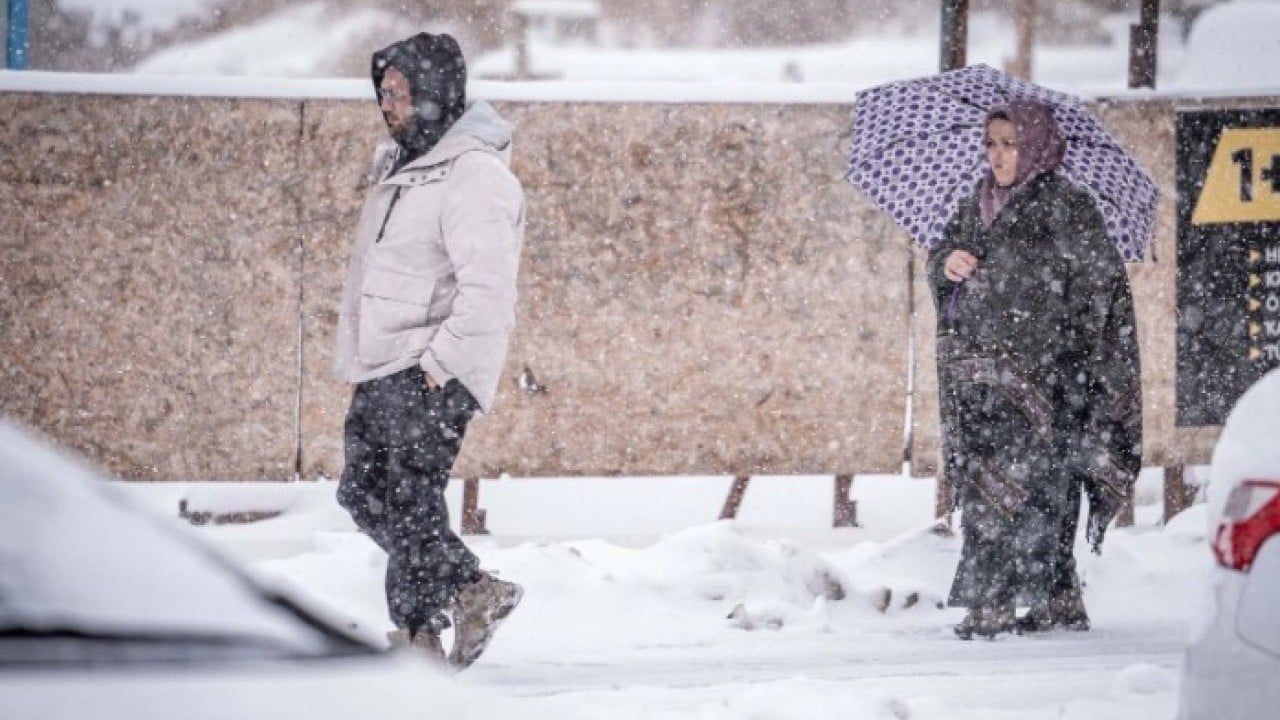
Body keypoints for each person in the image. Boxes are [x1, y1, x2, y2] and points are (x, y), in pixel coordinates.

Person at [333, 31, 526, 668]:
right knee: (365, 494)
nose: (387, 105)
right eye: (382, 92)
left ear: (435, 93)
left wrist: (440, 367)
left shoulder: (473, 174)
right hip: (385, 361)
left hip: (431, 368)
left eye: (400, 93)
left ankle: (416, 638)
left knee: (410, 500)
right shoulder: (402, 162)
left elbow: (489, 290)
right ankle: (472, 590)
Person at [926, 100, 1142, 640]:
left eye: (1011, 143)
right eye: (992, 143)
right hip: (978, 379)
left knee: (1043, 489)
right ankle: (1041, 597)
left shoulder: (1069, 207)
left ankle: (1022, 598)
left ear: (1037, 146)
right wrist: (948, 264)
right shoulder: (974, 204)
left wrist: (1013, 291)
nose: (998, 156)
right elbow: (942, 264)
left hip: (1047, 381)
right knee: (987, 486)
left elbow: (1097, 292)